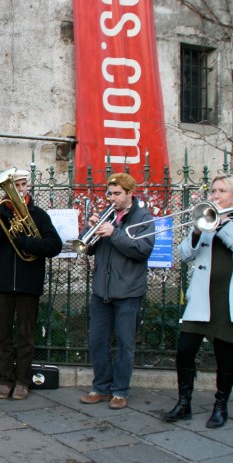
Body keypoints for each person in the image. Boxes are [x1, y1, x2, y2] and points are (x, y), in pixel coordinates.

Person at [163, 175, 233, 428]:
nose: (215, 195)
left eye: (221, 191)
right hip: (202, 296)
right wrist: (198, 230)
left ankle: (220, 406)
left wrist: (224, 223)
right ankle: (184, 403)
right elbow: (184, 254)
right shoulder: (205, 217)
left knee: (224, 354)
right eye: (213, 191)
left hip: (230, 298)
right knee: (185, 350)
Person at [0, 169, 63, 400]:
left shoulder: (38, 215)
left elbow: (54, 246)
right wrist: (3, 226)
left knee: (26, 336)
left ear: (28, 186)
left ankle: (22, 382)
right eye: (15, 185)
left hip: (28, 284)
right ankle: (5, 380)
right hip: (2, 284)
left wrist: (26, 242)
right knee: (3, 335)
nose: (20, 188)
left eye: (23, 184)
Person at [79, 173, 155, 410]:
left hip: (129, 291)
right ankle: (101, 387)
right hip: (101, 290)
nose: (112, 198)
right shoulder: (106, 214)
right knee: (97, 341)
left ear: (130, 193)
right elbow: (87, 249)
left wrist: (115, 233)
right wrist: (89, 230)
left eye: (117, 194)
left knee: (124, 344)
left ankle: (120, 390)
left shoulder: (143, 218)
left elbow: (142, 251)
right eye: (110, 193)